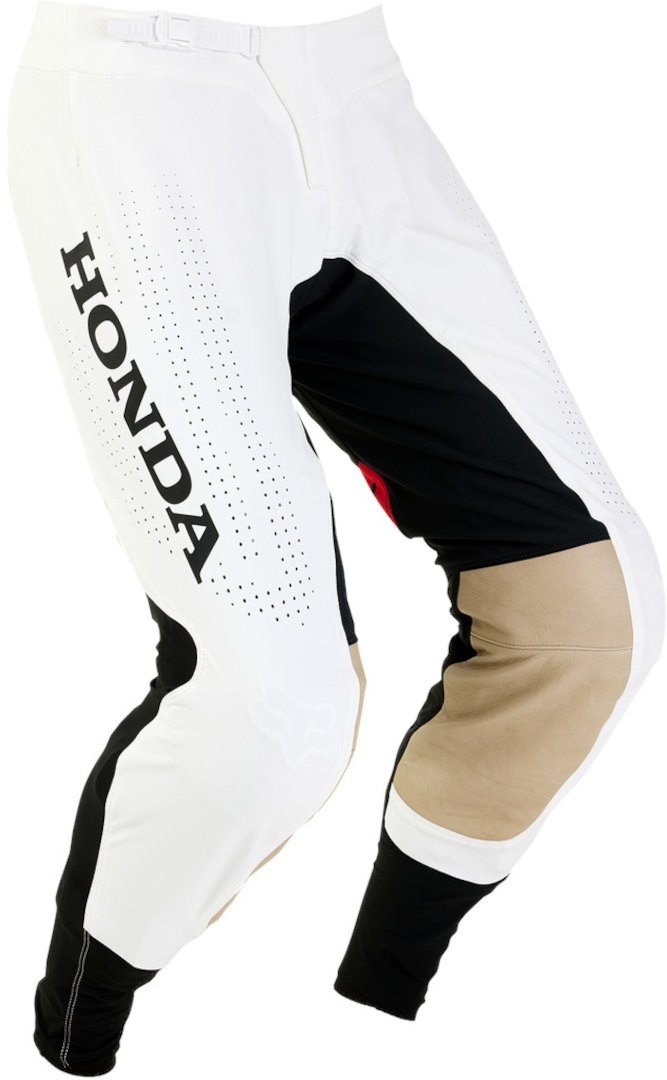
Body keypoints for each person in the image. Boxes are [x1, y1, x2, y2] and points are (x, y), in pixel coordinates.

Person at [7, 1, 664, 1074]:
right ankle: (77, 1033)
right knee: (273, 711)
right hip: (141, 105)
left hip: (351, 85)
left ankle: (373, 1020)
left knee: (584, 622)